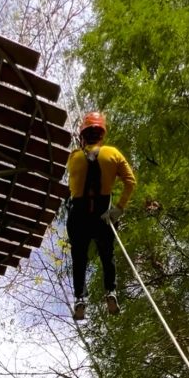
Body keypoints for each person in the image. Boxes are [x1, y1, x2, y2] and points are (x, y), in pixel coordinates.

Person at [66, 112, 136, 321]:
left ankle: (80, 298)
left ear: (83, 135)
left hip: (78, 215)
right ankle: (111, 292)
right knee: (107, 256)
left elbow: (72, 185)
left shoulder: (74, 157)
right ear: (102, 134)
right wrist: (119, 208)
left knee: (79, 258)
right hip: (103, 215)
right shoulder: (112, 154)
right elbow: (130, 181)